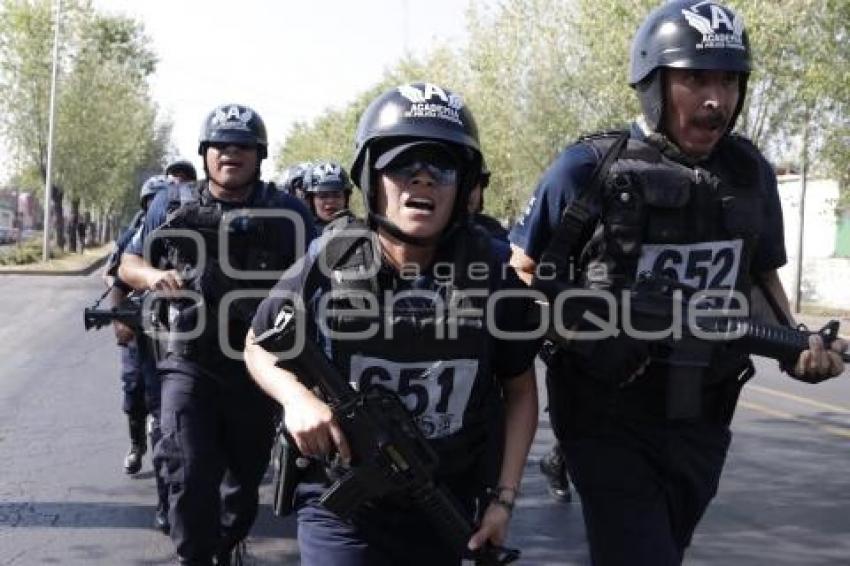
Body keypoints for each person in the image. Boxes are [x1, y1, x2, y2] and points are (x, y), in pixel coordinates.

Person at [508, 2, 847, 564]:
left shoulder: (750, 173)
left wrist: (795, 346)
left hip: (703, 420)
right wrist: (587, 337)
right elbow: (519, 277)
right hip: (604, 416)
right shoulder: (588, 168)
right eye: (695, 79)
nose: (716, 100)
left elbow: (760, 272)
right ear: (654, 83)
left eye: (728, 81)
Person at [245, 82, 539, 566]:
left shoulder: (489, 274)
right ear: (372, 178)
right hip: (341, 505)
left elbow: (522, 390)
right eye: (403, 165)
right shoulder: (330, 260)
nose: (422, 180)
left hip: (444, 502)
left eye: (441, 167)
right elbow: (256, 344)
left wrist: (504, 500)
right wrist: (297, 399)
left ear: (463, 185)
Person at [119, 103, 315, 565]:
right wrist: (153, 278)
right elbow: (129, 263)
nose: (231, 153)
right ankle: (194, 557)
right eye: (221, 145)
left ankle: (222, 549)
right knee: (186, 469)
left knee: (242, 484)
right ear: (205, 153)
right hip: (187, 358)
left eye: (243, 146)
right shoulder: (172, 202)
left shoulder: (285, 210)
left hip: (257, 365)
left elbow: (315, 276)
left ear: (259, 155)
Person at [104, 174, 174, 533]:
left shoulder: (188, 234)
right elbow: (118, 282)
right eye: (153, 202)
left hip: (185, 343)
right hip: (144, 339)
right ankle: (136, 446)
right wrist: (121, 322)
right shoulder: (136, 240)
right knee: (136, 398)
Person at [303, 160, 354, 230]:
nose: (331, 200)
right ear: (310, 201)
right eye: (323, 196)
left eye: (336, 195)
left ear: (346, 199)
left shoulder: (360, 232)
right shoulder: (300, 234)